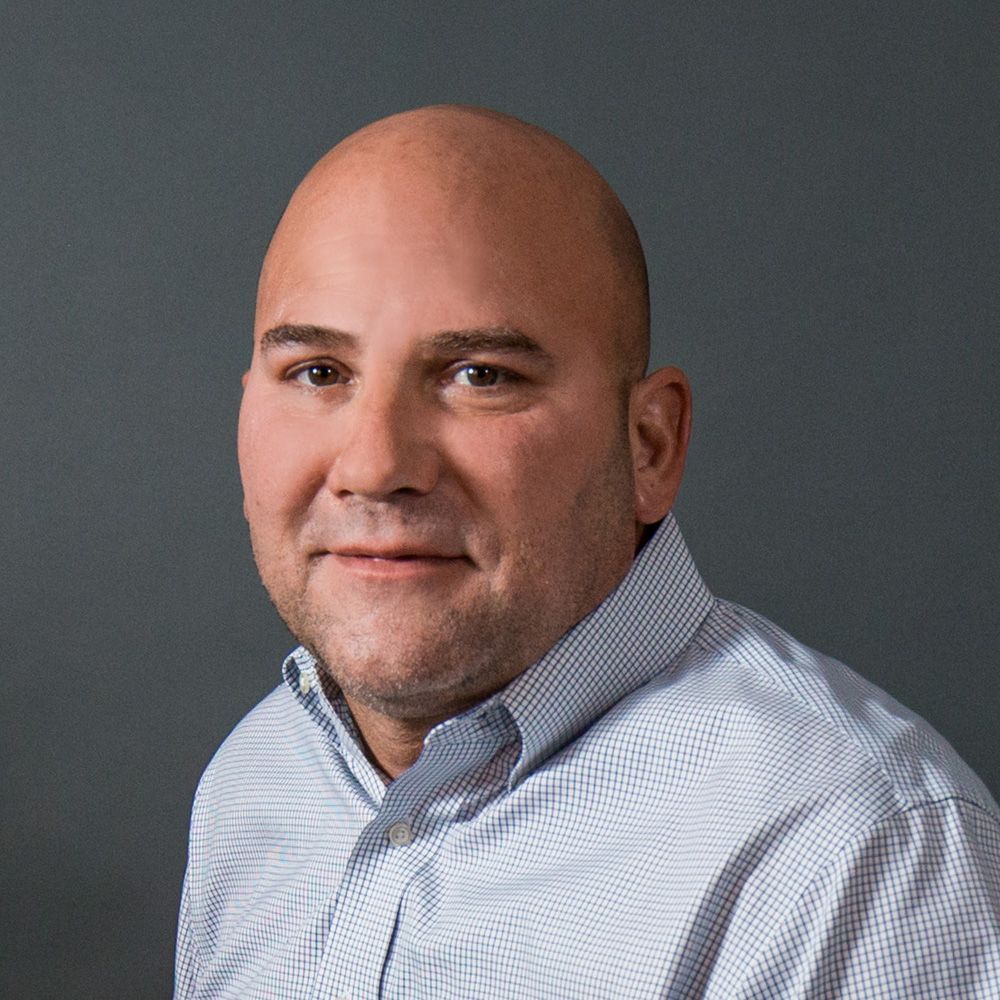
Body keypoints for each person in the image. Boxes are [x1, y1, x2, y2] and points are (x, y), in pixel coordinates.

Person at [175, 105, 1000, 999]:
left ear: (649, 445)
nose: (376, 465)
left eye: (481, 375)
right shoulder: (259, 781)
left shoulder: (856, 856)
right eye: (319, 373)